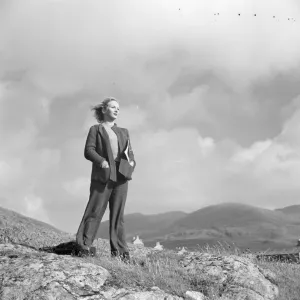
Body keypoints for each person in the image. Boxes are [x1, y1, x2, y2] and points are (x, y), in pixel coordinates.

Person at [76, 97, 136, 261]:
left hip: (122, 177)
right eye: (113, 107)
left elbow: (129, 153)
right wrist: (101, 161)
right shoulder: (95, 129)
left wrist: (131, 164)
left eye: (118, 108)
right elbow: (89, 150)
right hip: (103, 175)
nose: (117, 110)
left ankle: (120, 252)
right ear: (103, 110)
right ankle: (84, 246)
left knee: (118, 215)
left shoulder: (124, 132)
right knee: (94, 211)